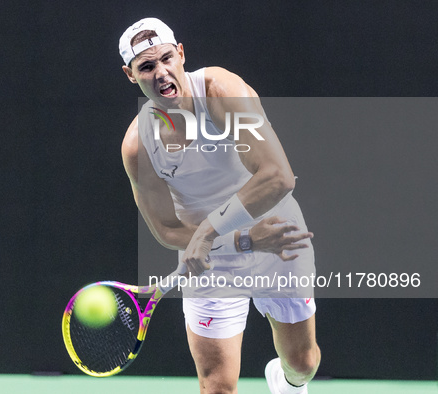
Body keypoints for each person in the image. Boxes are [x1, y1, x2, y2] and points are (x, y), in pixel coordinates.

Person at [119, 18, 321, 394]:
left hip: (276, 232)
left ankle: (289, 382)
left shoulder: (220, 90)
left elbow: (278, 177)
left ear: (181, 54)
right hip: (213, 258)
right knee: (216, 386)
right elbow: (165, 229)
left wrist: (213, 231)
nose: (161, 73)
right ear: (131, 75)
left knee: (303, 363)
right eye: (146, 67)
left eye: (166, 58)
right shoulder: (137, 146)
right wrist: (239, 239)